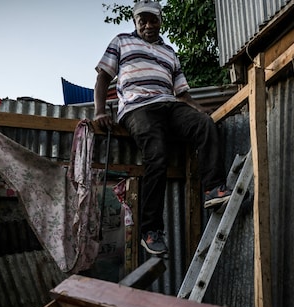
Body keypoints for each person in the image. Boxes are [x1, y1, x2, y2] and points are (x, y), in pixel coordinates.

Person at [93, 0, 231, 255]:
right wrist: (100, 111)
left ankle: (213, 188)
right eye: (142, 20)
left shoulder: (170, 52)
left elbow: (182, 93)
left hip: (169, 105)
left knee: (205, 125)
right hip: (138, 108)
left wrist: (200, 110)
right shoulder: (122, 41)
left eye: (152, 19)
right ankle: (150, 230)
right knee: (157, 155)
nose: (147, 24)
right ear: (135, 22)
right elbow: (102, 77)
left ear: (160, 21)